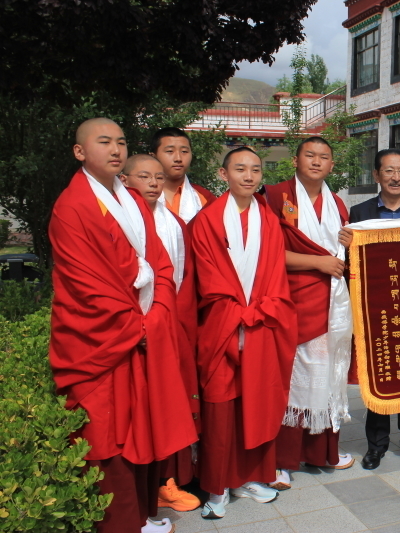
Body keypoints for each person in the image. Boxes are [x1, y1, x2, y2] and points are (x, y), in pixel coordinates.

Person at [49, 118, 197, 533]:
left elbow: (161, 264)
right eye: (104, 142)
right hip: (105, 341)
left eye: (121, 142)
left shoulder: (128, 200)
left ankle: (143, 515)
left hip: (143, 328)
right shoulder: (72, 207)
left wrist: (159, 312)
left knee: (141, 426)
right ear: (80, 152)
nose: (115, 149)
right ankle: (121, 524)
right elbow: (86, 286)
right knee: (106, 435)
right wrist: (141, 327)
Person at [191, 147, 296, 520]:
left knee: (257, 403)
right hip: (222, 325)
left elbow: (275, 274)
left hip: (261, 324)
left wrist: (259, 311)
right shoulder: (206, 221)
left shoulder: (268, 220)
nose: (249, 176)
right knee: (221, 409)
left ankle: (249, 477)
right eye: (240, 169)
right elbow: (207, 277)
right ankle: (216, 487)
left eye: (255, 170)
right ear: (224, 174)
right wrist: (237, 313)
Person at [263, 137, 355, 489]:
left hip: (331, 301)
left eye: (324, 157)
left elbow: (341, 255)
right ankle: (282, 460)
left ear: (332, 165)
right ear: (296, 161)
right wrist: (319, 262)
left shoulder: (337, 203)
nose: (316, 162)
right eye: (310, 155)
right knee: (292, 380)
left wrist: (347, 246)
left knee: (327, 376)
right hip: (291, 300)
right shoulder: (275, 197)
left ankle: (322, 452)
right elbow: (267, 250)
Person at [342, 148, 400, 471]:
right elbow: (350, 264)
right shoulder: (360, 212)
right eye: (389, 171)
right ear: (377, 175)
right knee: (378, 376)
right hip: (376, 311)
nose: (396, 177)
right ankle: (376, 445)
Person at [120, 155, 202, 512]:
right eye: (144, 176)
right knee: (141, 410)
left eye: (158, 177)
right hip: (135, 330)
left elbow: (183, 278)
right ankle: (148, 486)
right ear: (125, 180)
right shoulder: (120, 221)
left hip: (173, 323)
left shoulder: (175, 223)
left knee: (173, 403)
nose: (153, 183)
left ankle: (170, 480)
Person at [150, 127, 216, 222]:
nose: (178, 158)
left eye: (184, 151)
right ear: (153, 156)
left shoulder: (205, 197)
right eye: (170, 151)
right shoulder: (140, 195)